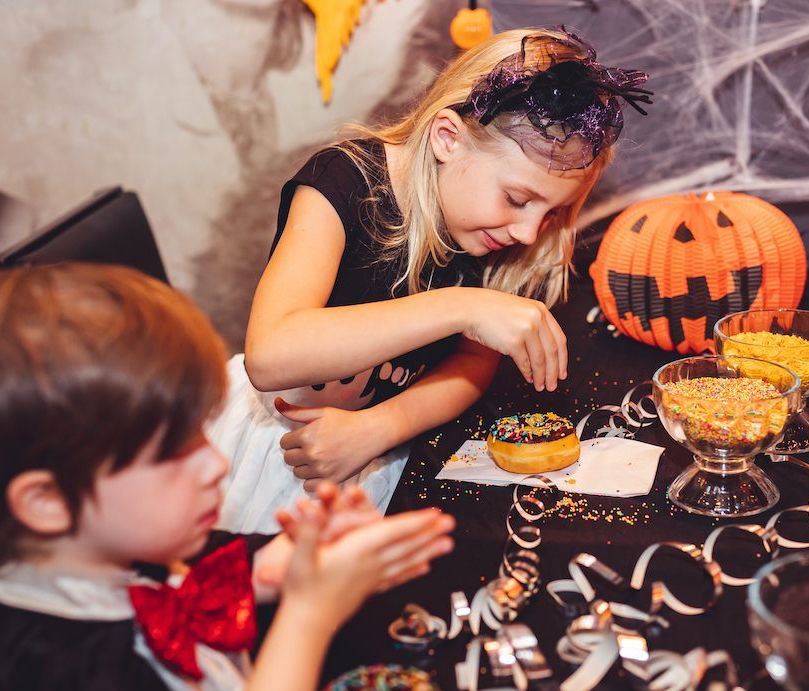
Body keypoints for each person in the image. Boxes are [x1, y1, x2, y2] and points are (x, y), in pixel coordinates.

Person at [211, 27, 652, 533]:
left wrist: (378, 428)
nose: (530, 230)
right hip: (276, 446)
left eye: (554, 212)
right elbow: (271, 356)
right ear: (448, 138)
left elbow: (471, 364)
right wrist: (464, 306)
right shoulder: (343, 183)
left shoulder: (502, 240)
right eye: (517, 199)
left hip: (376, 444)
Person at [0, 263, 455, 691]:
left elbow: (188, 572)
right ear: (47, 502)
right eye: (173, 454)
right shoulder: (55, 669)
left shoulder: (115, 550)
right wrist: (308, 616)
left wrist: (272, 565)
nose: (216, 464)